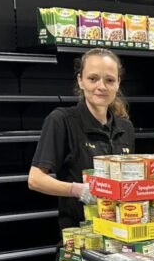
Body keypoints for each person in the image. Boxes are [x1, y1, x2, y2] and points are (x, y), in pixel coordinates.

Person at [29, 48, 135, 230]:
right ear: (80, 81)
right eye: (93, 79)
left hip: (119, 234)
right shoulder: (61, 120)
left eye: (109, 80)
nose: (101, 86)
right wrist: (77, 190)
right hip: (79, 236)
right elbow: (35, 179)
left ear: (118, 83)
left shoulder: (126, 128)